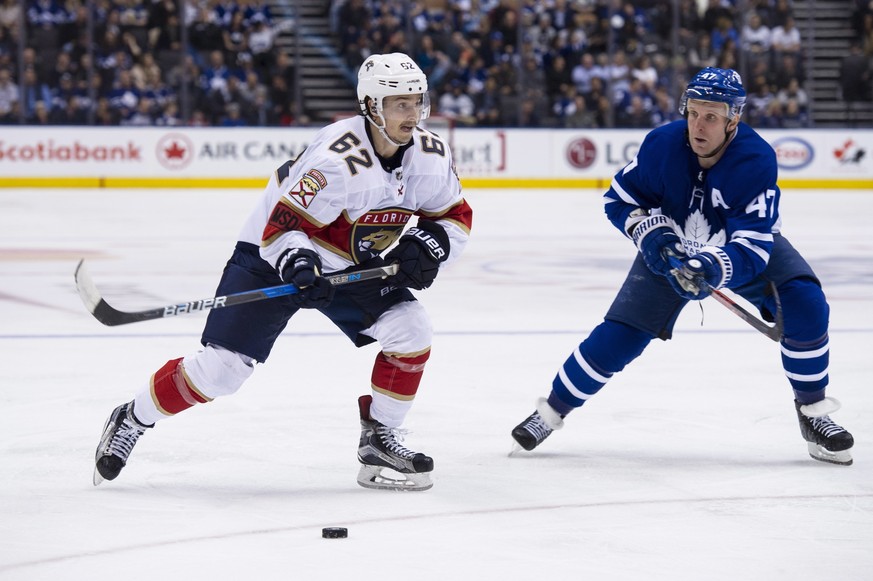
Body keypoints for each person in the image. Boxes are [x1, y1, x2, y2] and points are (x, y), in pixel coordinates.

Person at [93, 53, 473, 491]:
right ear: (371, 106)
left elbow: (454, 216)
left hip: (352, 262)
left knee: (411, 329)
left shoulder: (429, 155)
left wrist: (431, 244)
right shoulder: (336, 160)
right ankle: (134, 417)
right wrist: (298, 263)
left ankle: (380, 438)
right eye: (399, 104)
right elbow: (282, 229)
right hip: (271, 255)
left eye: (417, 102)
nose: (413, 114)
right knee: (223, 372)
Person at [510, 67, 854, 466]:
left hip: (738, 250)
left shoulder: (755, 159)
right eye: (693, 112)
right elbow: (618, 200)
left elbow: (755, 244)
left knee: (805, 302)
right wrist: (652, 236)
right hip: (669, 248)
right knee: (619, 336)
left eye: (711, 115)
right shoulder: (662, 144)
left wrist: (712, 265)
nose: (698, 125)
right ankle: (550, 412)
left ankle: (813, 414)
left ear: (734, 119)